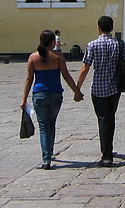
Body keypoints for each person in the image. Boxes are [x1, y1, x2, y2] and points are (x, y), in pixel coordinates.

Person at [21, 29, 84, 170]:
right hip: (56, 95)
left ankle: (46, 158)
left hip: (39, 95)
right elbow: (66, 76)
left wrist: (24, 99)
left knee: (43, 127)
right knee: (51, 124)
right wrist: (77, 92)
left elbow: (29, 79)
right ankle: (49, 151)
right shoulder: (58, 57)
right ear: (52, 42)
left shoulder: (33, 58)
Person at [77, 15, 125, 167]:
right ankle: (109, 149)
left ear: (98, 28)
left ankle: (106, 155)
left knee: (103, 119)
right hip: (115, 88)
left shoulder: (92, 45)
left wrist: (77, 88)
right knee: (110, 118)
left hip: (98, 89)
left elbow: (85, 67)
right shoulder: (119, 44)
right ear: (112, 28)